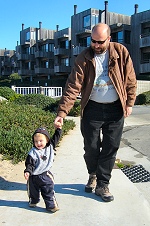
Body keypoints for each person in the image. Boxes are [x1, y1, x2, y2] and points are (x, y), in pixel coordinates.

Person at [54, 23, 137, 202]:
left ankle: (102, 184)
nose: (96, 45)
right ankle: (93, 173)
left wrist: (129, 102)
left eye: (100, 42)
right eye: (93, 41)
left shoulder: (120, 52)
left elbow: (130, 78)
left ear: (109, 39)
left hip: (115, 108)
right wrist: (62, 113)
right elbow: (72, 86)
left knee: (110, 147)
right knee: (91, 147)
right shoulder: (84, 57)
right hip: (92, 107)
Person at [24, 126, 62, 212]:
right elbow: (29, 164)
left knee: (48, 191)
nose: (38, 143)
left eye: (41, 141)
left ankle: (51, 206)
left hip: (45, 175)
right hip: (33, 177)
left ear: (47, 140)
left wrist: (58, 129)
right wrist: (27, 171)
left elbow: (56, 137)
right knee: (33, 192)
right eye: (36, 141)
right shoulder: (33, 152)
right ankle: (33, 200)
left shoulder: (50, 147)